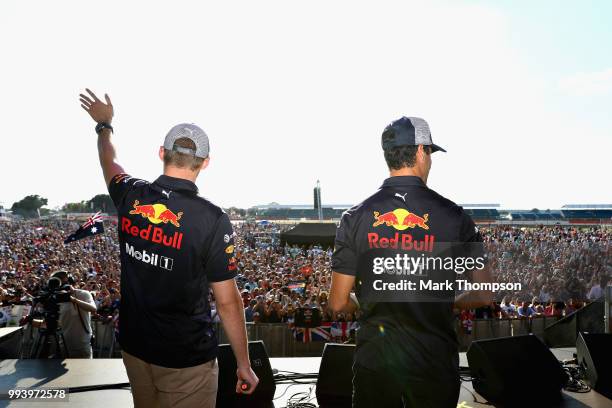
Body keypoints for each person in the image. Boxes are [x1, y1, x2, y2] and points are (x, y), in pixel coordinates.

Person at [79, 89, 258, 407]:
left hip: (135, 347)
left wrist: (104, 125)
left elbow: (110, 160)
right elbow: (227, 301)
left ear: (162, 153)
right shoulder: (212, 219)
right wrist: (243, 364)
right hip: (184, 358)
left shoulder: (131, 194)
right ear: (205, 163)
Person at [329, 117, 492, 408]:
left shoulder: (354, 218)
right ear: (420, 152)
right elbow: (484, 293)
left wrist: (367, 301)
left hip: (375, 365)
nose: (429, 161)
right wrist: (444, 300)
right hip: (434, 365)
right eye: (429, 153)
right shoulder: (455, 217)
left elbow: (338, 303)